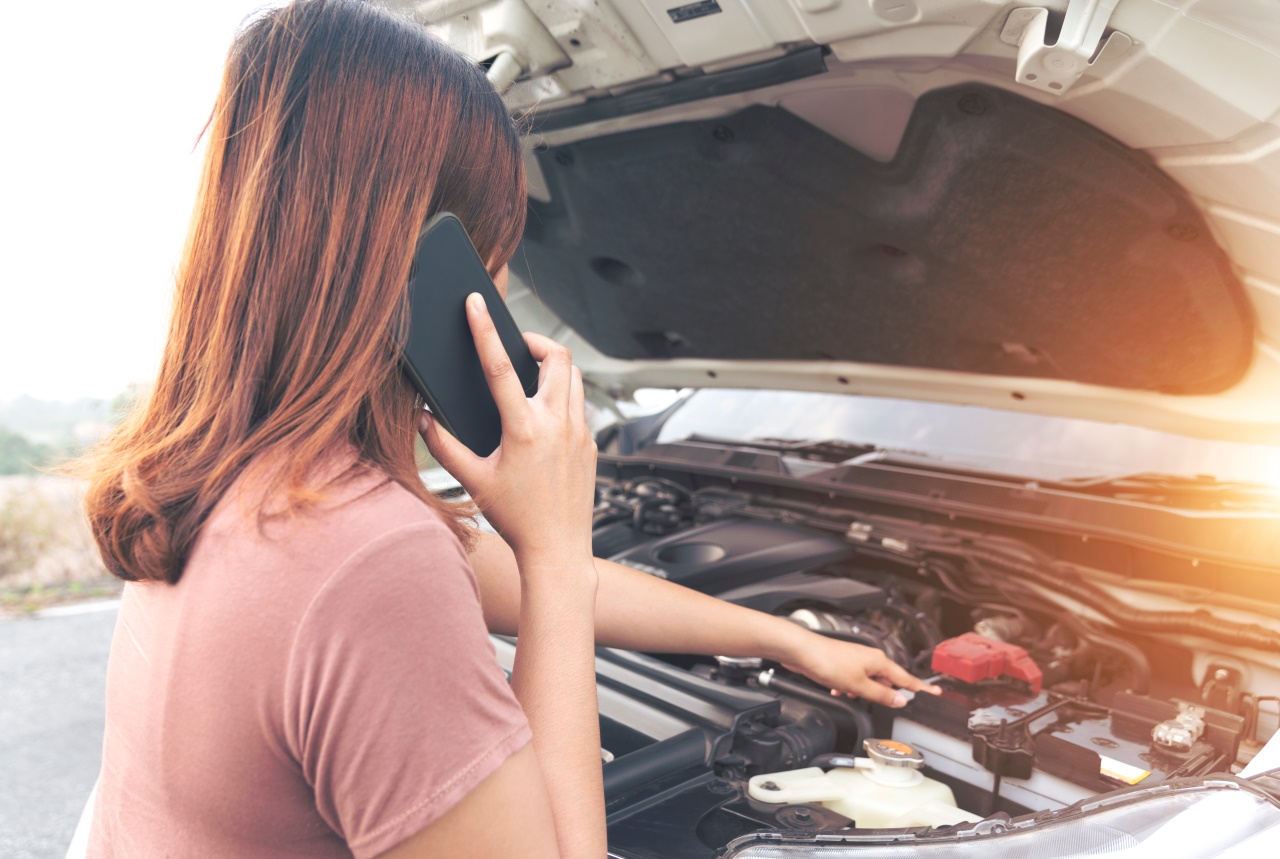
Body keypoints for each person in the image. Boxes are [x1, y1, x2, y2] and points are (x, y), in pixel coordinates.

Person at [78, 2, 937, 857]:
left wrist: (791, 639)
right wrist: (556, 540)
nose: (494, 280)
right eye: (491, 245)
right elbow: (532, 586)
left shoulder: (242, 478)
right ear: (427, 263)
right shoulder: (369, 556)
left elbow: (514, 577)